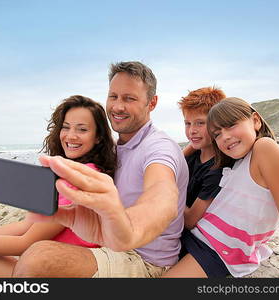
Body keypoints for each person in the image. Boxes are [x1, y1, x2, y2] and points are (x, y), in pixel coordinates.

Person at [11, 61, 189, 278]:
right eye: (113, 96)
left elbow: (162, 195)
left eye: (129, 98)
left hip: (143, 260)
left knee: (39, 258)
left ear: (152, 103)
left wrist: (129, 230)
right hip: (109, 246)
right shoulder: (117, 148)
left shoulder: (158, 148)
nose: (117, 106)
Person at [0, 95, 117, 277]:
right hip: (40, 261)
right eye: (66, 127)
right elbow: (27, 225)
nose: (70, 136)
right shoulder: (68, 172)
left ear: (98, 137)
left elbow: (26, 242)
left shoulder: (82, 179)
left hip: (57, 267)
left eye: (82, 129)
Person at [166, 97, 279, 278]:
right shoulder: (237, 158)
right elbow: (196, 147)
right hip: (200, 235)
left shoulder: (265, 148)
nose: (225, 136)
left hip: (221, 250)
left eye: (231, 125)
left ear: (256, 121)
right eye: (217, 134)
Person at [162, 86, 229, 278]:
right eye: (187, 123)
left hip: (198, 239)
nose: (192, 131)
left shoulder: (217, 169)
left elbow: (191, 220)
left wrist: (167, 192)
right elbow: (174, 169)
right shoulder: (194, 154)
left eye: (200, 123)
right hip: (177, 227)